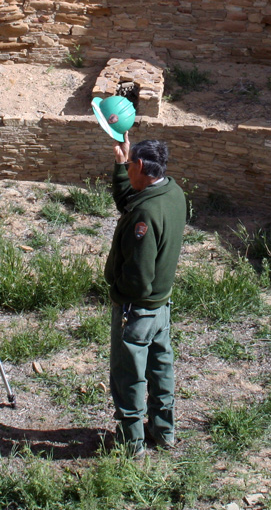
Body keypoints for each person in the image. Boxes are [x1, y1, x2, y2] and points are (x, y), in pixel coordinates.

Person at [104, 132, 187, 455]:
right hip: (161, 305)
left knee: (128, 377)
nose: (128, 172)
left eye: (130, 167)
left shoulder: (145, 215)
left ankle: (131, 444)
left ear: (140, 165)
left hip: (136, 310)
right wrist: (120, 164)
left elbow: (138, 279)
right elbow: (130, 199)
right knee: (161, 368)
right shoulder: (172, 192)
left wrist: (115, 291)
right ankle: (164, 432)